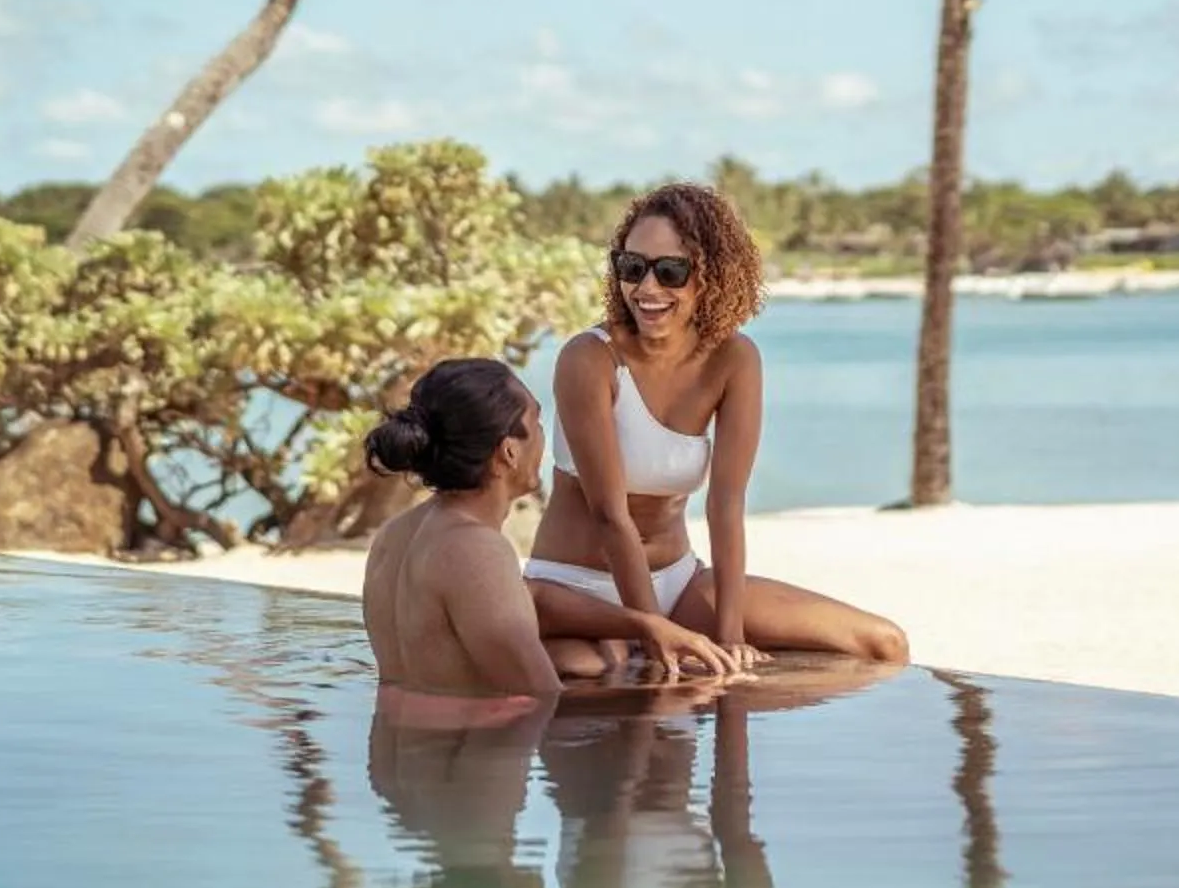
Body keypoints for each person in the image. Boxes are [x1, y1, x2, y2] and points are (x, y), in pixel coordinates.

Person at [524, 183, 911, 673]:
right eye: (632, 267)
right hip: (578, 587)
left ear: (710, 276)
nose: (647, 289)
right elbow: (609, 514)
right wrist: (653, 629)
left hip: (678, 581)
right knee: (602, 667)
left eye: (670, 272)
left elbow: (726, 504)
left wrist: (731, 636)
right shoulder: (590, 358)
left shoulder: (734, 359)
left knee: (883, 643)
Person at [361, 357, 573, 699]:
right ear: (509, 451)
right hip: (469, 752)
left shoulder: (394, 534)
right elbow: (544, 699)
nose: (543, 437)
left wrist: (643, 625)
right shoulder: (476, 549)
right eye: (538, 421)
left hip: (408, 748)